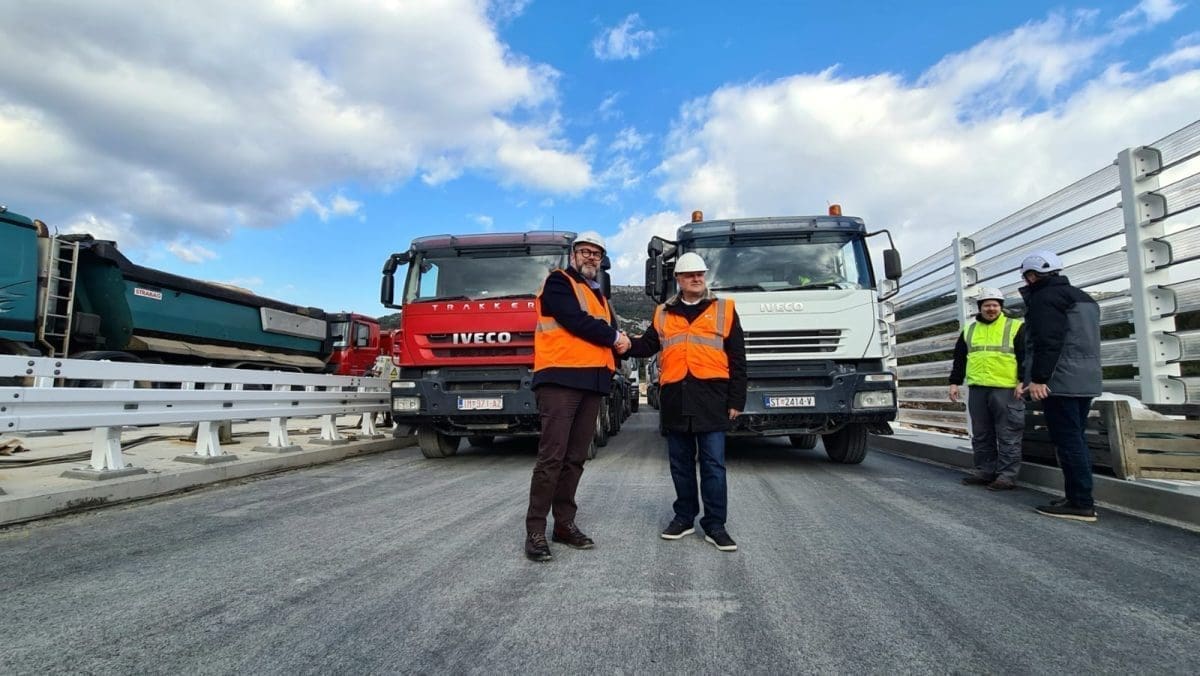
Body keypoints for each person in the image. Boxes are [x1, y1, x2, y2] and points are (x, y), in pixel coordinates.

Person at [627, 252, 747, 552]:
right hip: (676, 397)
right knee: (680, 464)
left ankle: (715, 525)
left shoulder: (724, 309)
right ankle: (684, 517)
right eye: (690, 274)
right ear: (679, 279)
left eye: (700, 274)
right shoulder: (663, 313)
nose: (696, 278)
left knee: (713, 465)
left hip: (712, 397)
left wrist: (737, 399)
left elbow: (738, 359)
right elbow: (647, 346)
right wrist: (620, 343)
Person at [524, 231, 630, 561]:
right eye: (585, 251)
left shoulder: (600, 297)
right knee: (552, 457)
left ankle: (564, 524)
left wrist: (627, 343)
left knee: (575, 458)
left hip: (591, 383)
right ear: (573, 254)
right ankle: (535, 531)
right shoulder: (559, 282)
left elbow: (607, 337)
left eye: (596, 254)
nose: (590, 257)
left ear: (602, 260)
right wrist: (616, 337)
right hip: (560, 380)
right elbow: (575, 321)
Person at [1016, 250, 1102, 522]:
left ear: (1032, 276)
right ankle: (1077, 496)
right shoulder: (1083, 298)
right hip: (1086, 378)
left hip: (1060, 380)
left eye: (1027, 276)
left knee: (1068, 441)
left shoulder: (1045, 298)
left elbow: (1048, 341)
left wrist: (1039, 378)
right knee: (1076, 438)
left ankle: (1081, 503)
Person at [948, 287, 1026, 490]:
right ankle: (985, 470)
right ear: (980, 307)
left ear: (1001, 307)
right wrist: (954, 382)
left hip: (1006, 388)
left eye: (995, 305)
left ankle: (1006, 476)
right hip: (978, 388)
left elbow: (1026, 356)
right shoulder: (970, 330)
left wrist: (1023, 380)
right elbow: (960, 359)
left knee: (1008, 433)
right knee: (981, 433)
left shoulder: (1015, 327)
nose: (991, 309)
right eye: (987, 305)